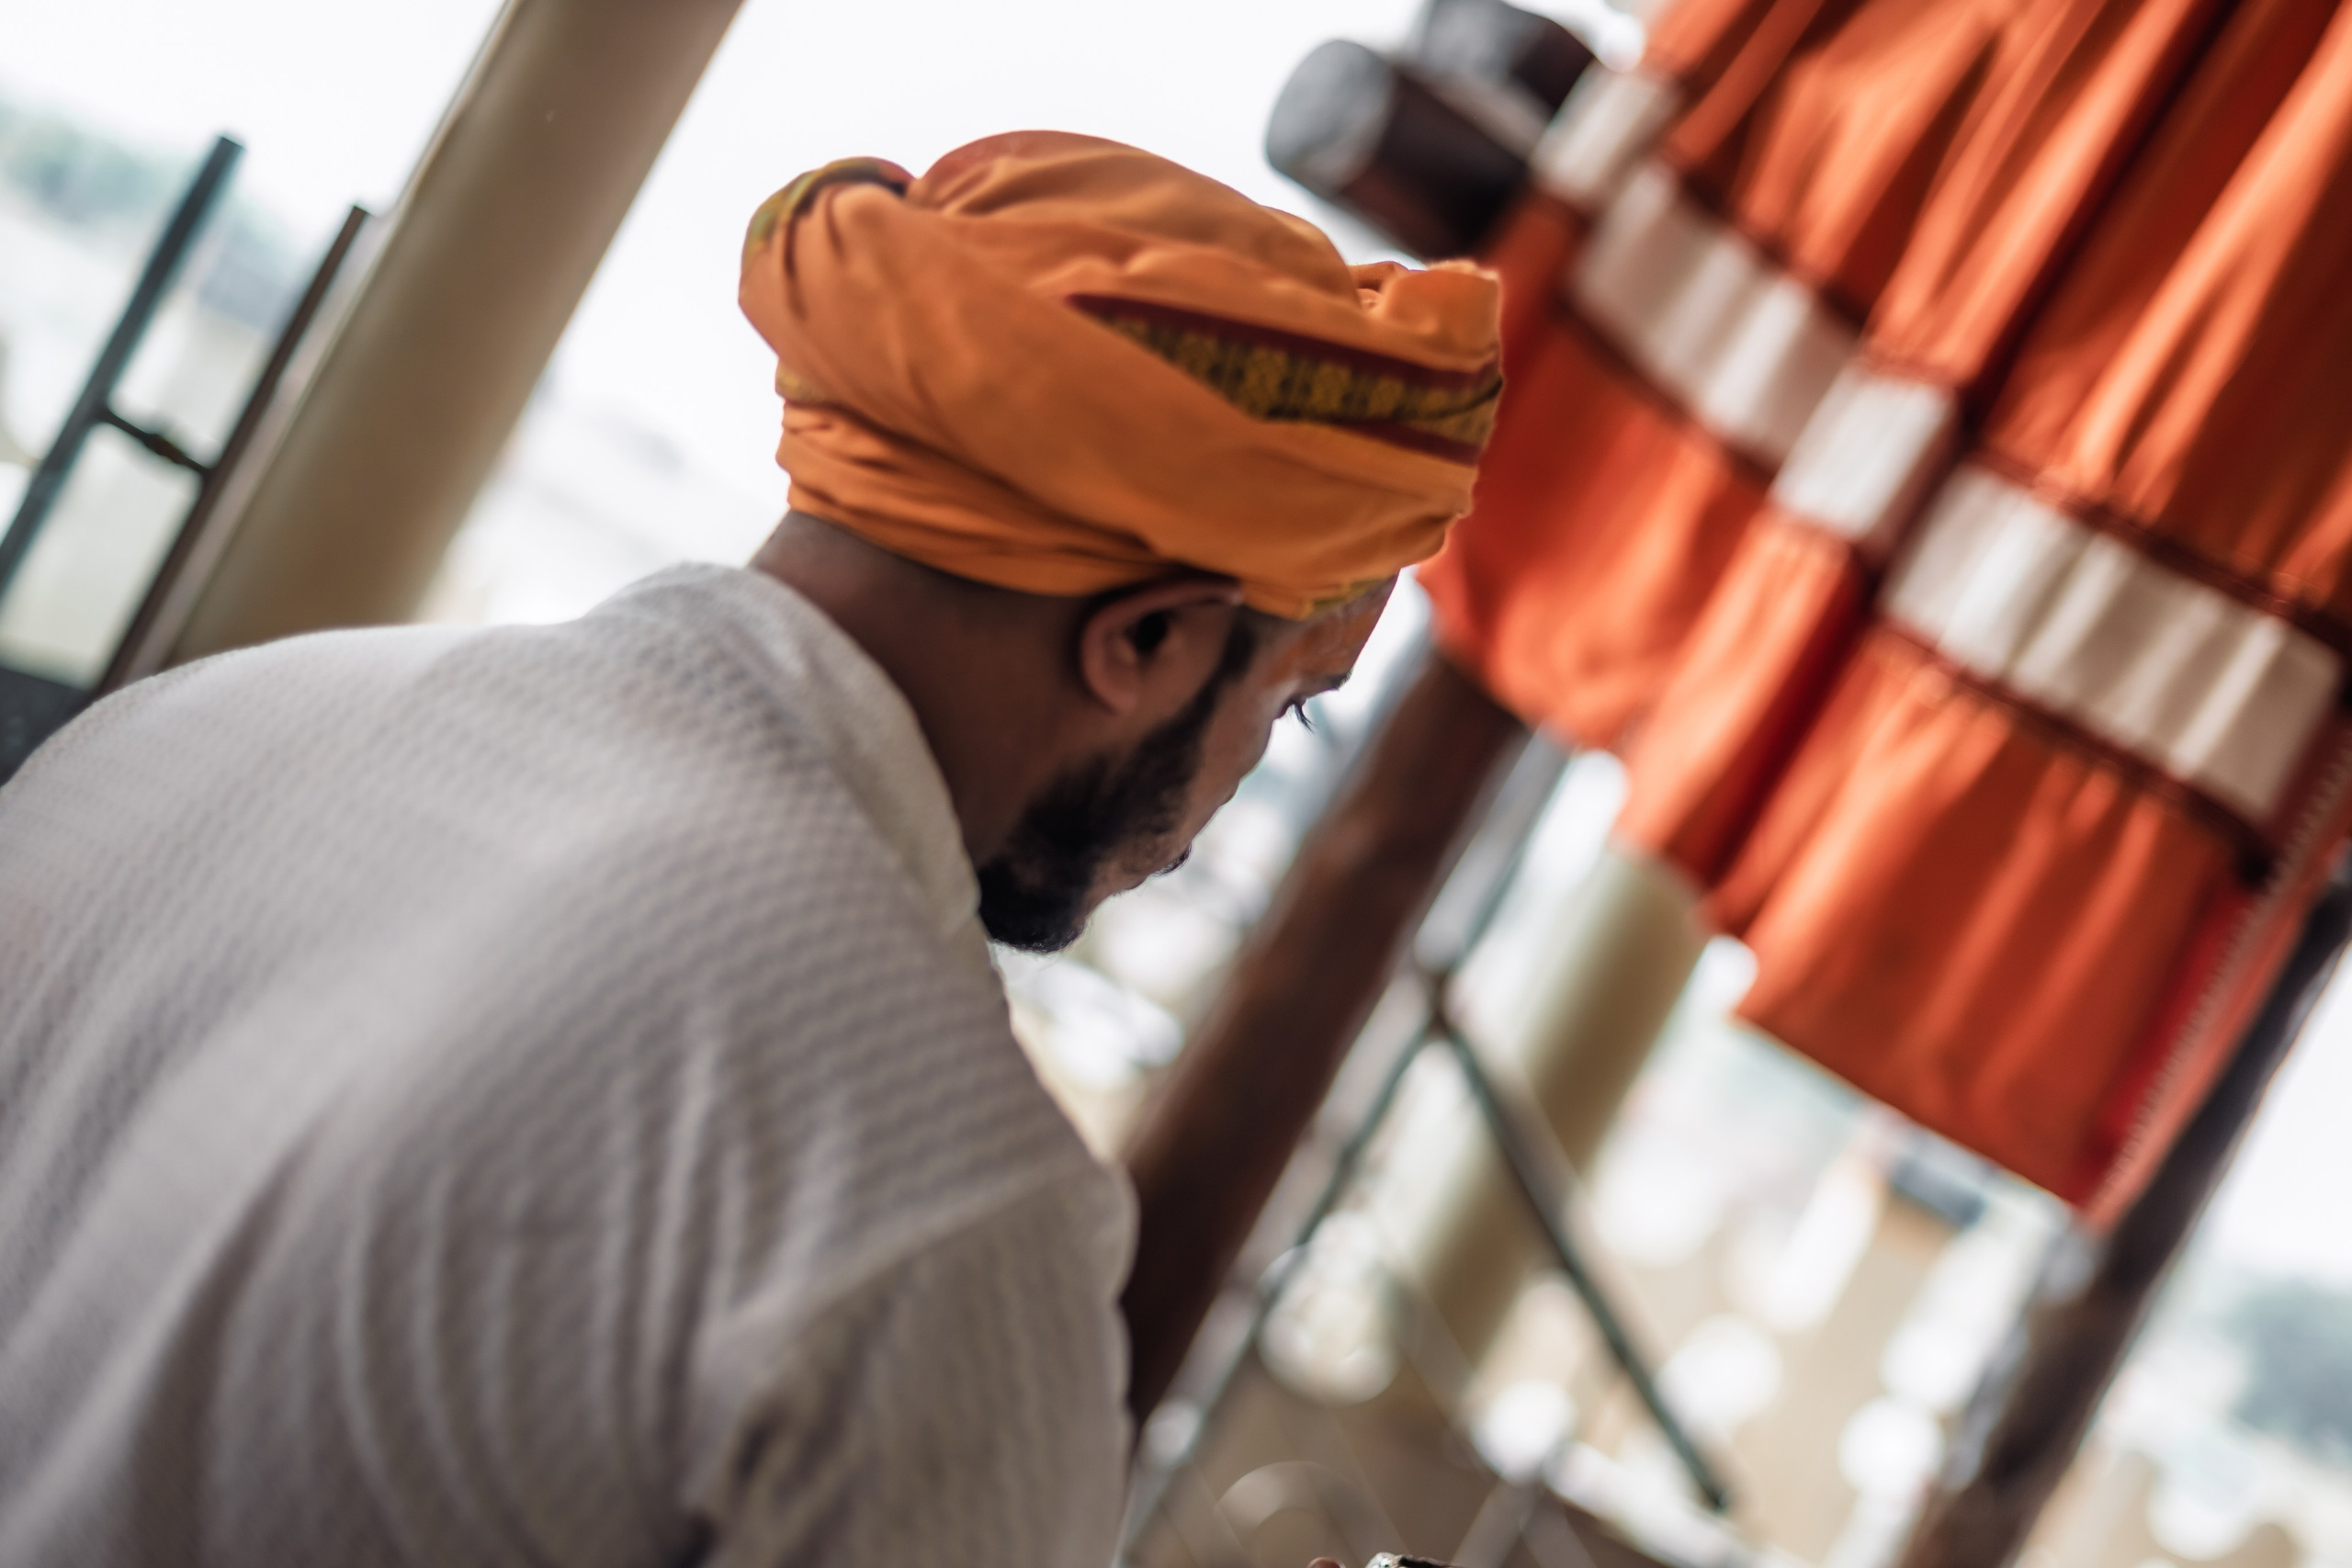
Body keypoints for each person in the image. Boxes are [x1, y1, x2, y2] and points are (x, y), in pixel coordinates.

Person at [0, 131, 1499, 1566]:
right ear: (1151, 639)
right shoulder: (943, 1212)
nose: (1240, 790)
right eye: (1287, 707)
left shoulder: (188, 730)